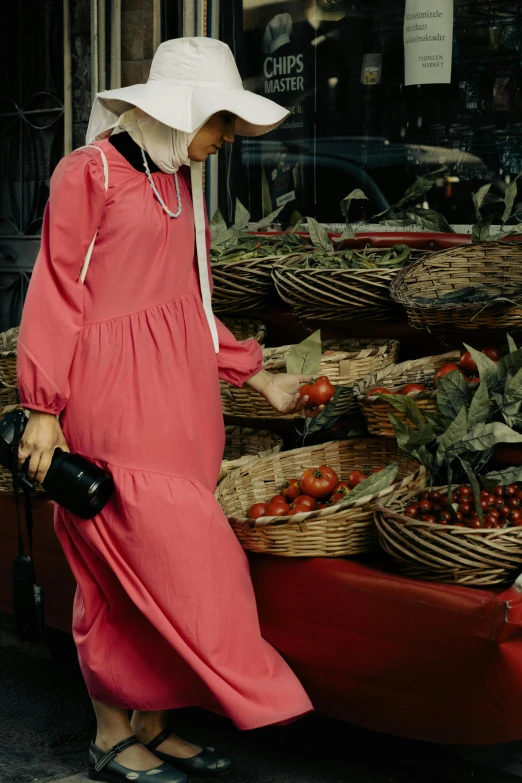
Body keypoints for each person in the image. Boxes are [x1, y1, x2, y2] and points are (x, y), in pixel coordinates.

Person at [16, 37, 314, 783]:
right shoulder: (89, 173)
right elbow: (56, 289)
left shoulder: (180, 182)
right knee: (118, 570)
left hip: (180, 409)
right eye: (220, 126)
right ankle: (110, 733)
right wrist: (43, 406)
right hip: (110, 401)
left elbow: (190, 302)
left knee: (166, 574)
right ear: (184, 112)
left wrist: (255, 377)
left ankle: (155, 721)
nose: (224, 144)